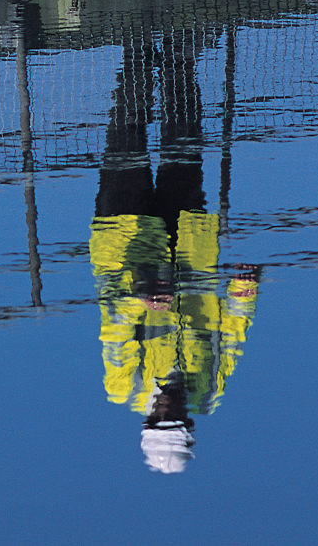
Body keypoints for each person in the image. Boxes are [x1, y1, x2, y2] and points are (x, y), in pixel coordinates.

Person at [90, 30, 261, 473]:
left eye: (162, 418)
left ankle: (137, 50)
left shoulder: (123, 386)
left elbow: (114, 318)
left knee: (126, 138)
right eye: (178, 419)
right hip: (190, 245)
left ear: (148, 419)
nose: (171, 410)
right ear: (189, 423)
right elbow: (232, 340)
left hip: (124, 239)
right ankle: (182, 55)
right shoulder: (208, 392)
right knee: (185, 143)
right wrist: (243, 295)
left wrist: (140, 299)